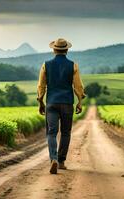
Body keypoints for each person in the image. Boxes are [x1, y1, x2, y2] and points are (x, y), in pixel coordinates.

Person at [37, 38, 85, 174]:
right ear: (67, 50)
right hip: (67, 103)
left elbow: (41, 86)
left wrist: (41, 102)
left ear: (53, 50)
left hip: (51, 102)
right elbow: (78, 86)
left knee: (51, 133)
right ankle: (61, 161)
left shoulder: (46, 65)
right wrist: (80, 101)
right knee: (65, 133)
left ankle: (53, 158)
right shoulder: (73, 65)